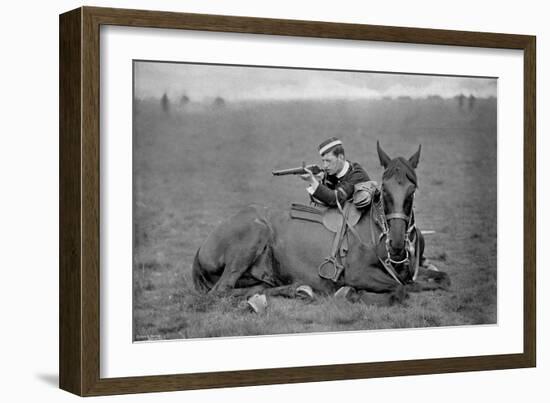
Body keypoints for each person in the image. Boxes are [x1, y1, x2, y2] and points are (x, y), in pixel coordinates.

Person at [300, 137, 371, 208]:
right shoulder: (331, 172)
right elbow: (319, 200)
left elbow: (335, 199)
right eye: (323, 161)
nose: (325, 166)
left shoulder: (356, 175)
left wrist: (312, 181)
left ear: (341, 157)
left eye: (328, 161)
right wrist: (320, 181)